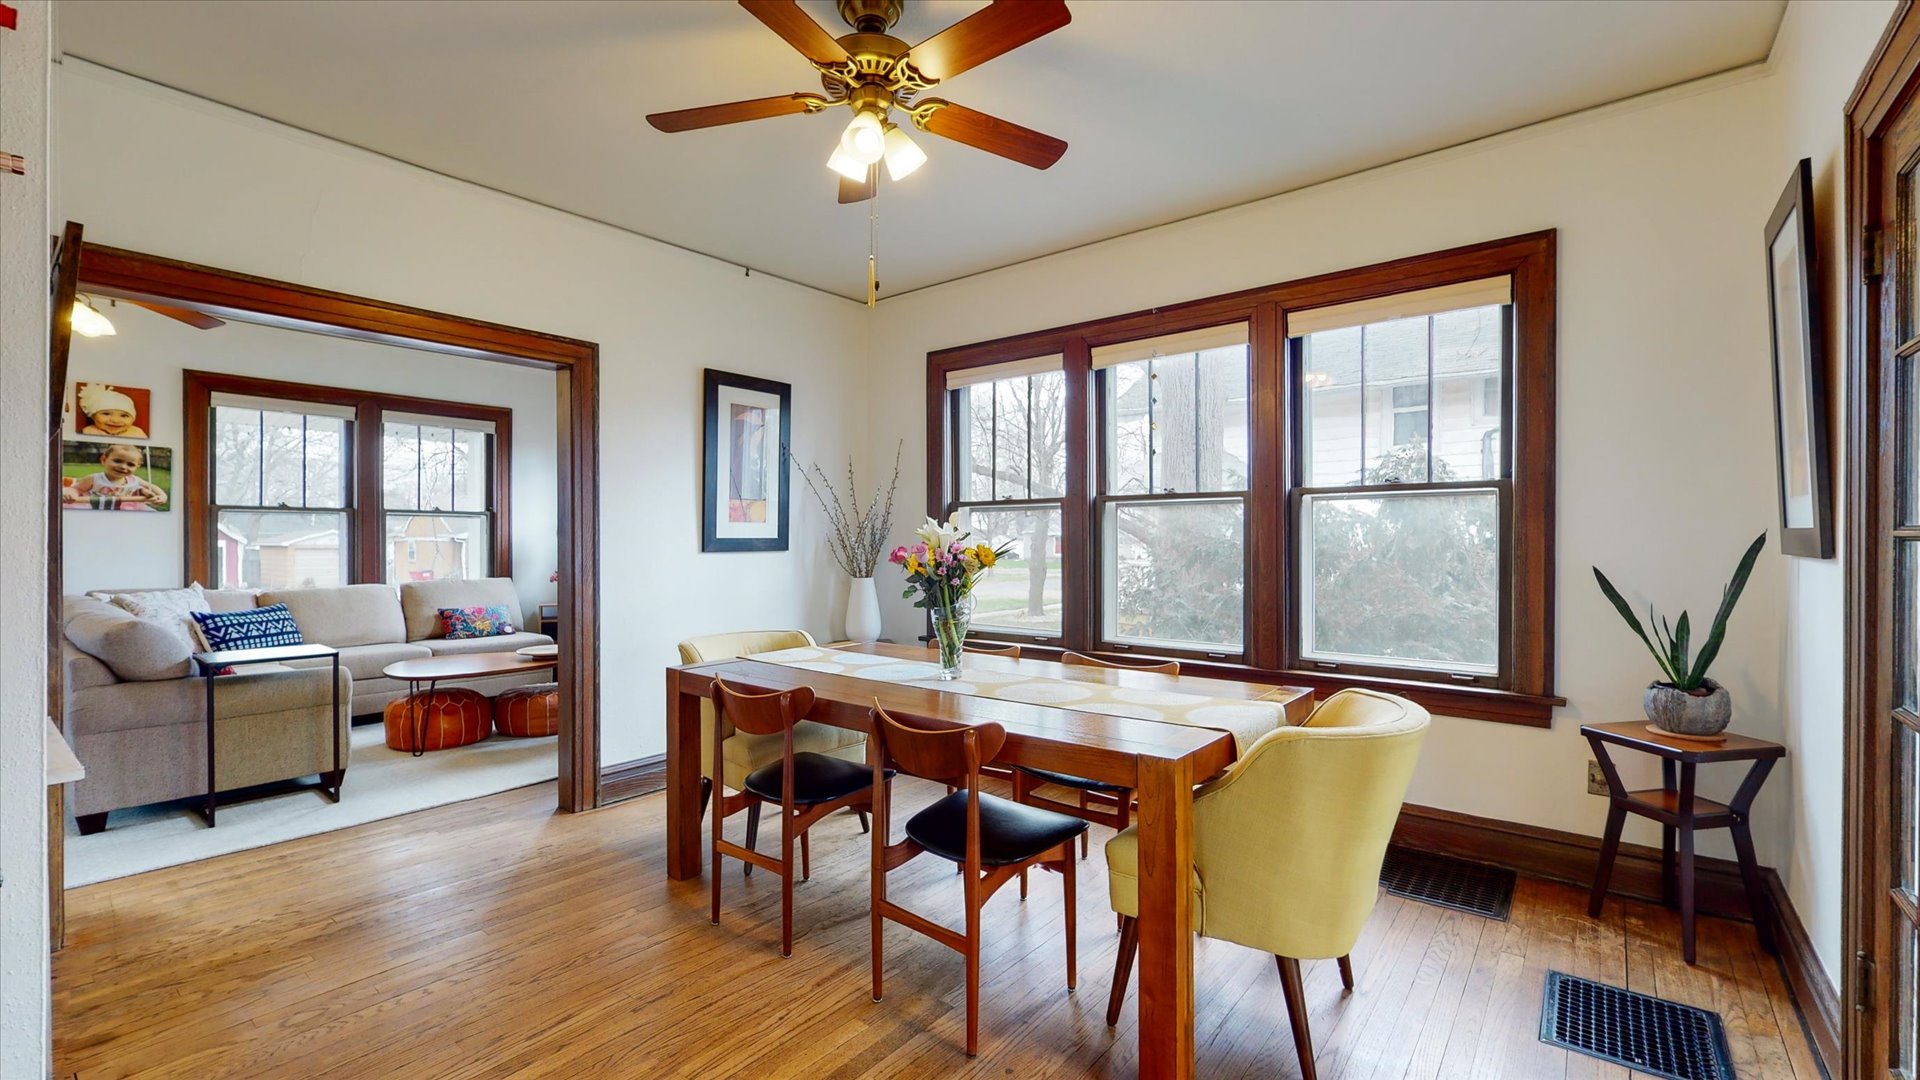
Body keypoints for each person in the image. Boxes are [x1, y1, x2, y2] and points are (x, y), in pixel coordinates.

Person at [64, 443, 167, 510]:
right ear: (104, 460)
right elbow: (77, 489)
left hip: (126, 509)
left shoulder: (134, 480)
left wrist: (162, 496)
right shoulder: (94, 479)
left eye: (130, 464)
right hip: (96, 507)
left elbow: (153, 487)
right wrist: (70, 492)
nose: (123, 467)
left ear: (137, 467)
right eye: (118, 461)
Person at [77, 384, 147, 439]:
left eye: (124, 415)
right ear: (93, 416)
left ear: (133, 419)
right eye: (106, 414)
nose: (115, 420)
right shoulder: (89, 431)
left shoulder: (137, 433)